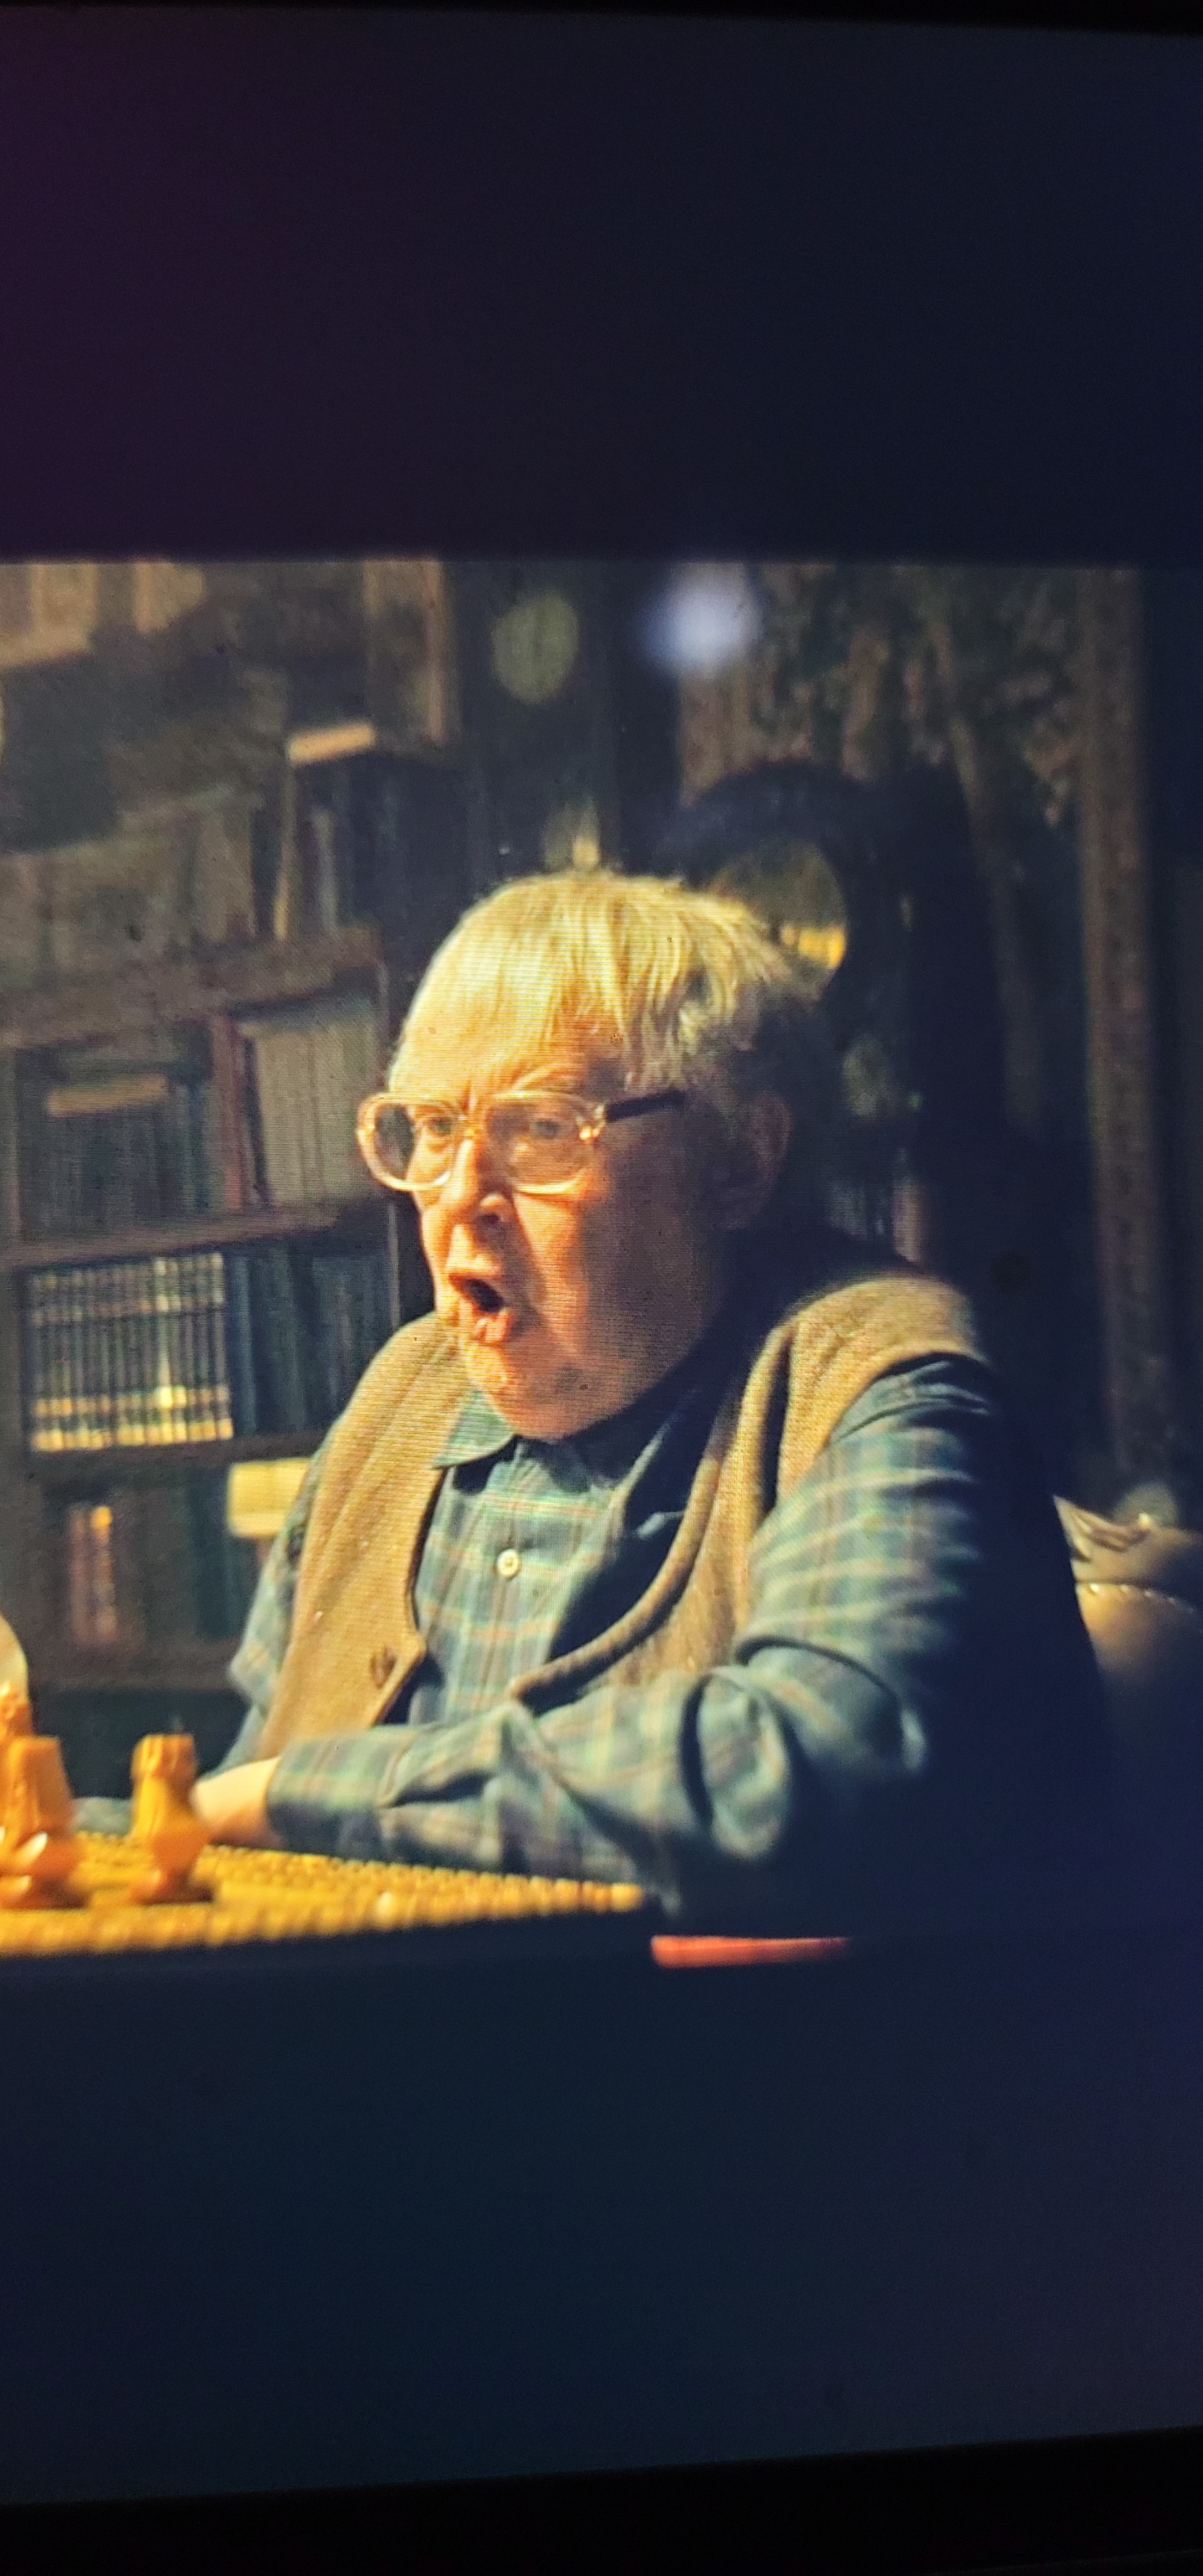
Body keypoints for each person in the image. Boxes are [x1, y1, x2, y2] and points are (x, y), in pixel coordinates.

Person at [84, 869, 1116, 1931]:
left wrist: (311, 1796)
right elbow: (224, 1818)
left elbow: (815, 1768)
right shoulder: (404, 1393)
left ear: (739, 1164)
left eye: (539, 1128)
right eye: (432, 1127)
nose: (460, 1197)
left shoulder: (877, 1376)